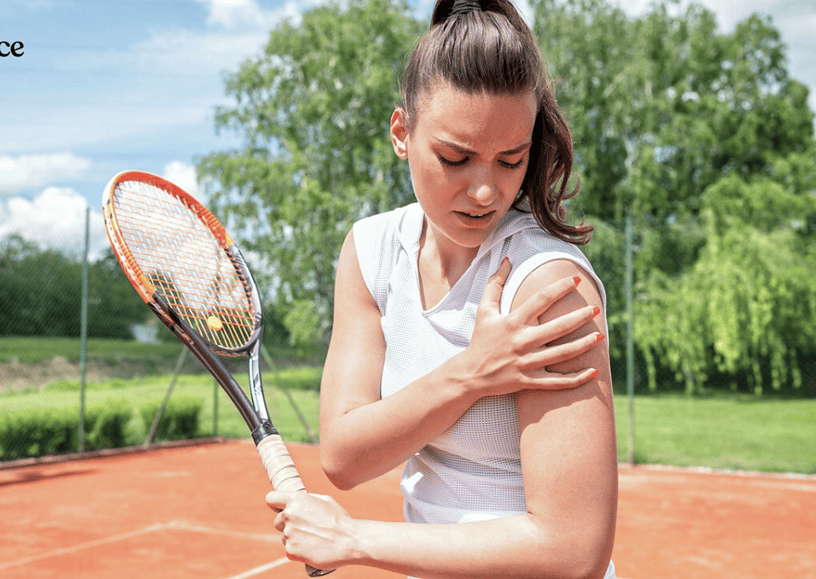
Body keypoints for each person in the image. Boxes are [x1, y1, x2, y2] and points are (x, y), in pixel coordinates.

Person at [265, 0, 619, 577]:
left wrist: (354, 539)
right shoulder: (372, 251)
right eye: (456, 157)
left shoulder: (550, 283)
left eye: (511, 161)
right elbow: (345, 455)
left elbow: (572, 549)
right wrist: (472, 374)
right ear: (402, 132)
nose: (485, 191)